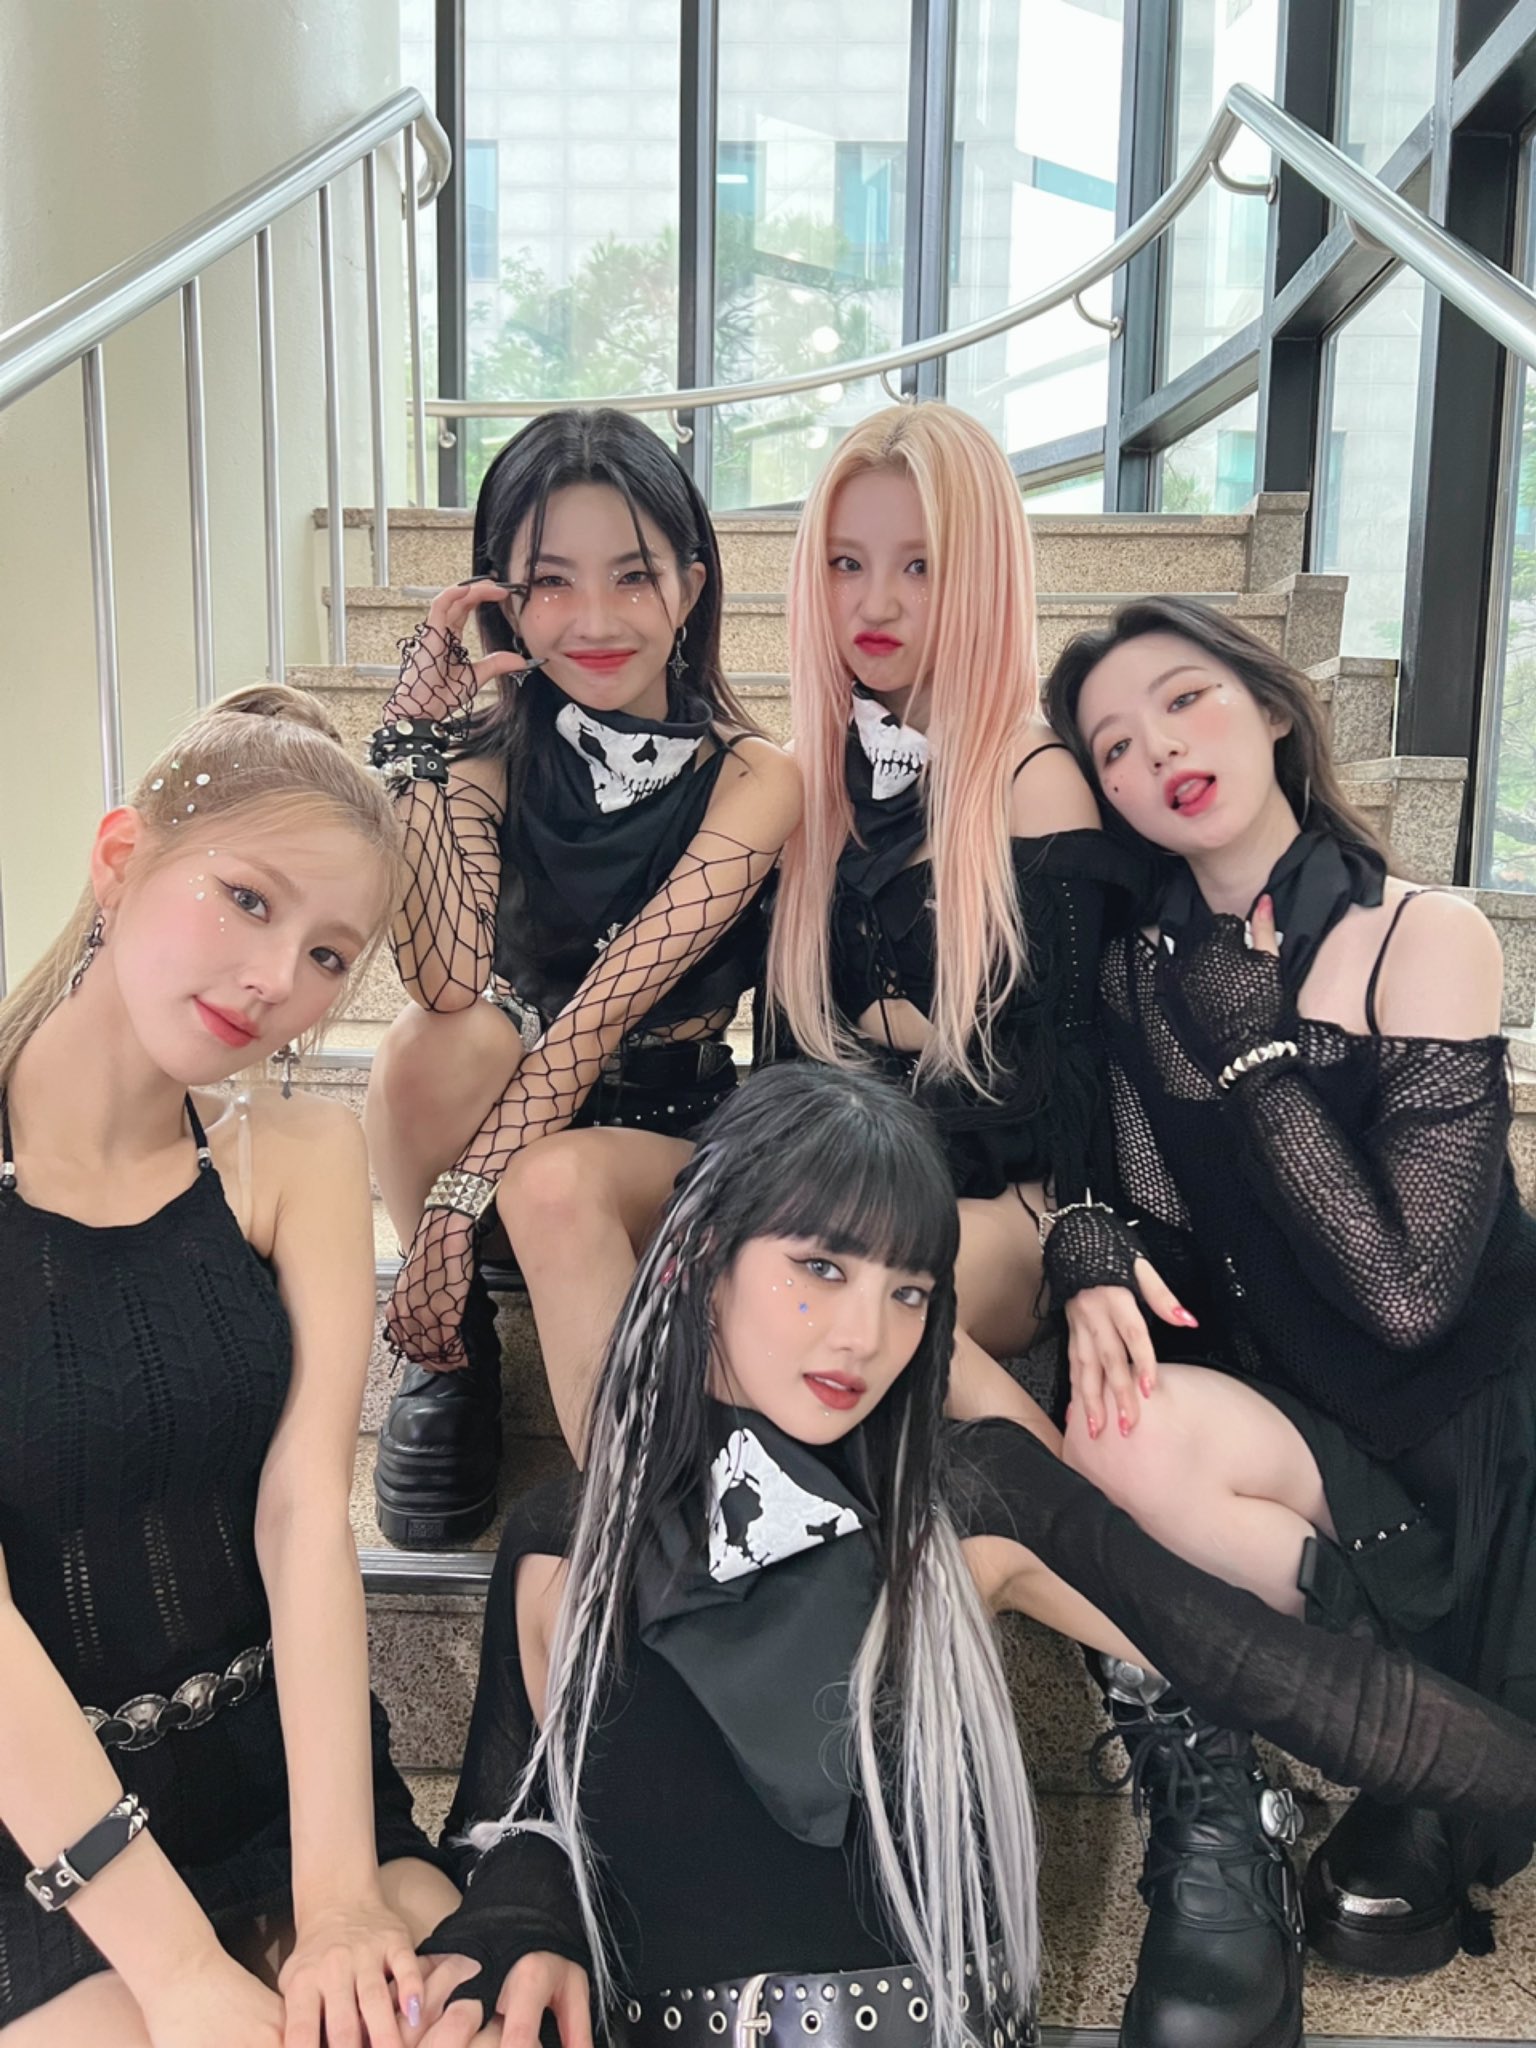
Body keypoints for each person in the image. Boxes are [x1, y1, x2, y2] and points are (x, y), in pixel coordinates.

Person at [399, 1064, 1536, 2048]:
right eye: (821, 1267)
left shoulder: (969, 1497)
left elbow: (1284, 1676)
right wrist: (521, 1917)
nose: (866, 1336)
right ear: (701, 1255)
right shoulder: (565, 1541)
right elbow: (514, 1824)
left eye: (907, 1291)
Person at [1044, 595, 1536, 1991]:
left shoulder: (1424, 935)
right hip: (1310, 1410)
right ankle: (1409, 1727)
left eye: (1184, 700)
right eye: (1115, 745)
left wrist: (1257, 1054)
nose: (1157, 750)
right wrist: (1088, 1240)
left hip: (1469, 1433)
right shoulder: (1143, 972)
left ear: (1270, 709)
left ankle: (1435, 1761)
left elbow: (1409, 1298)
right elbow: (1165, 1219)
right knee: (1113, 1423)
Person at [502, 401, 1138, 1456]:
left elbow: (1079, 1087)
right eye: (846, 564)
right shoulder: (802, 780)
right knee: (549, 1181)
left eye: (921, 566)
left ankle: (1075, 1517)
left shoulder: (1036, 785)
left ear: (984, 573)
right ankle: (628, 1512)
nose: (874, 602)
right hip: (816, 1179)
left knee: (826, 1283)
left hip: (995, 1207)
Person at [0, 686, 459, 2047]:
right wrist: (184, 1971)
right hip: (39, 1825)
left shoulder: (296, 1155)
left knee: (463, 2018)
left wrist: (341, 1900)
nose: (277, 980)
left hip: (275, 1775)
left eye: (328, 954)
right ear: (120, 858)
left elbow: (307, 1512)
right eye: (247, 900)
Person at [362, 407, 801, 1545]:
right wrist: (415, 752)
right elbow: (444, 976)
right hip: (501, 1134)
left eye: (633, 575)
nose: (595, 620)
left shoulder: (756, 775)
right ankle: (453, 1351)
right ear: (501, 599)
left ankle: (652, 1555)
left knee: (548, 1146)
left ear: (692, 587)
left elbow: (602, 1016)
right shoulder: (486, 757)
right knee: (435, 1039)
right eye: (551, 582)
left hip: (666, 1144)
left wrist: (453, 1205)